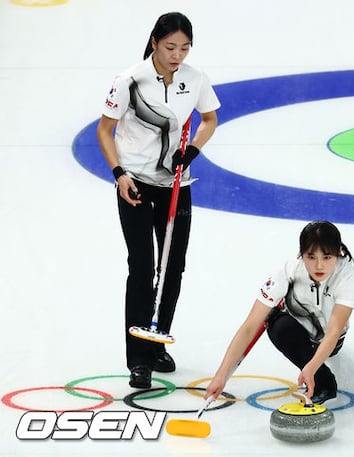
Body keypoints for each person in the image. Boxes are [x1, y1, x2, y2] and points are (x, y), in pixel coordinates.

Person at [96, 12, 220, 388]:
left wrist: (192, 151)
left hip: (175, 184)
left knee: (173, 266)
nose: (177, 55)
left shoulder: (195, 79)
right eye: (170, 47)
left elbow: (209, 118)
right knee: (142, 266)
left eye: (184, 48)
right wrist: (119, 174)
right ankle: (138, 359)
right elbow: (105, 130)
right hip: (134, 183)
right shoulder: (129, 81)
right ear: (154, 42)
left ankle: (156, 341)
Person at [204, 221, 354, 404]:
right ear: (301, 253)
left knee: (322, 344)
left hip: (331, 342)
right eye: (311, 257)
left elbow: (334, 331)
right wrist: (221, 376)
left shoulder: (347, 276)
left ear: (338, 252)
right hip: (300, 336)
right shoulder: (287, 271)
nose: (319, 266)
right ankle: (324, 381)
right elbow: (250, 326)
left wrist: (311, 367)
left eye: (327, 257)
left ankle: (320, 379)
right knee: (277, 325)